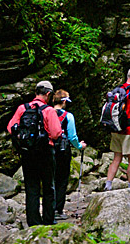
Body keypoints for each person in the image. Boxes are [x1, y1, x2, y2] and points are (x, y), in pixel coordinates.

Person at [7, 80, 63, 226]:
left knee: (32, 188)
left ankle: (33, 222)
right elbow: (56, 133)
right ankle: (48, 220)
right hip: (45, 152)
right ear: (49, 94)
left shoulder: (22, 108)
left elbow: (10, 127)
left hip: (27, 153)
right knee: (48, 187)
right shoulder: (49, 110)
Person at [52, 90, 87, 220]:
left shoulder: (46, 113)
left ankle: (48, 209)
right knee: (61, 179)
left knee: (50, 178)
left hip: (47, 148)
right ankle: (58, 210)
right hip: (62, 149)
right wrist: (79, 146)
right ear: (64, 101)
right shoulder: (68, 116)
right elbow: (72, 136)